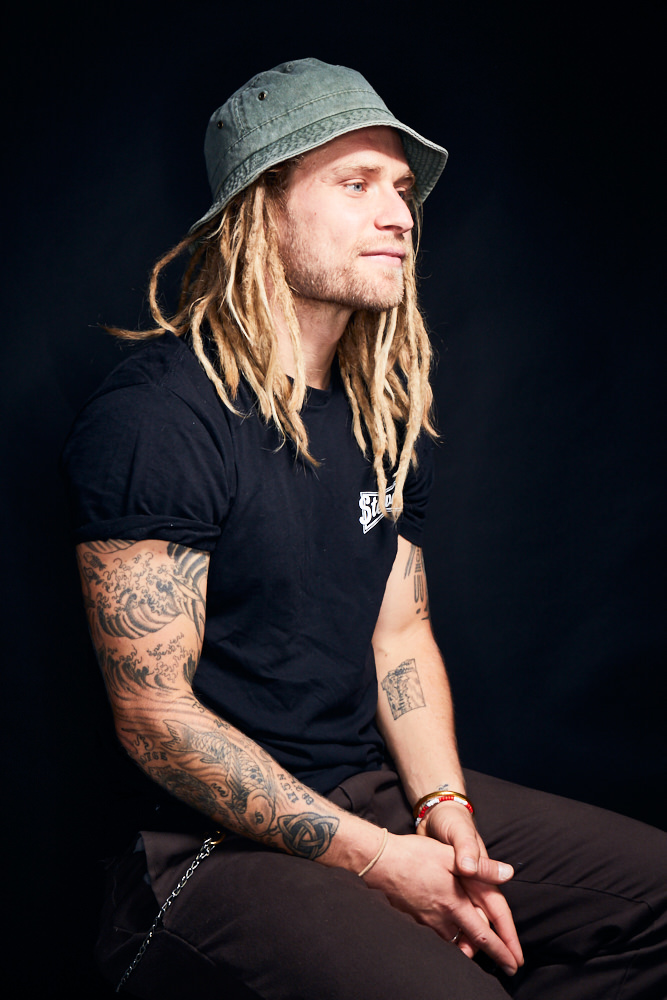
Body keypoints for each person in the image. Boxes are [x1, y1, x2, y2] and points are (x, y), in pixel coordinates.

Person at [62, 58, 666, 999]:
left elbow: (397, 636)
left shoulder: (376, 413)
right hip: (204, 851)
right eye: (356, 184)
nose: (399, 216)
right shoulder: (159, 416)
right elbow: (156, 715)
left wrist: (441, 806)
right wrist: (378, 860)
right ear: (259, 211)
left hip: (366, 793)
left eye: (400, 189)